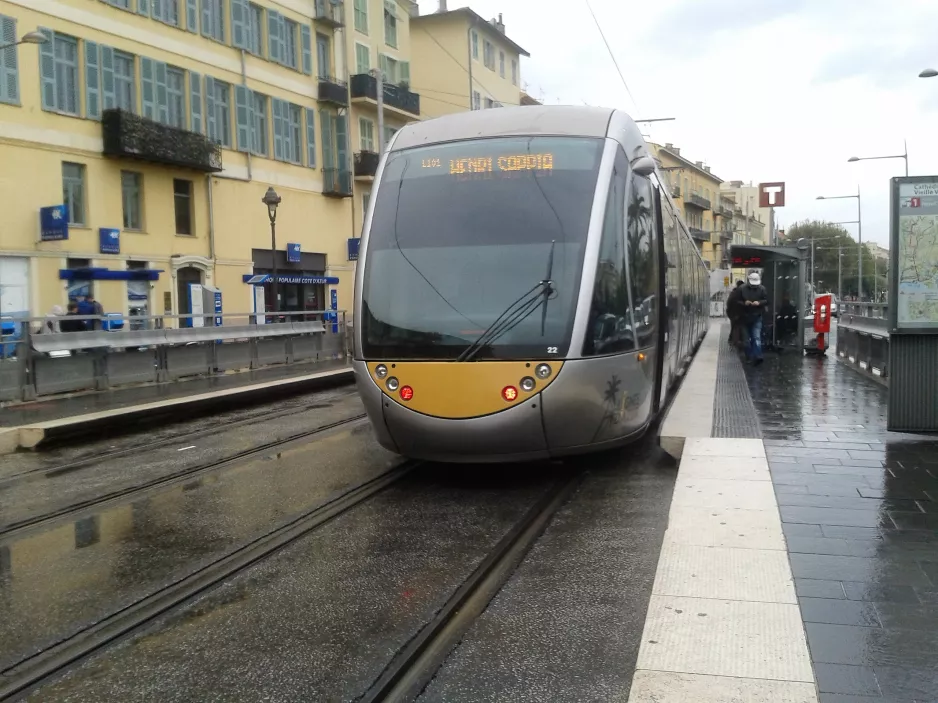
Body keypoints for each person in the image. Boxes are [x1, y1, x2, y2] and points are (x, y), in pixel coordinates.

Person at [739, 271, 768, 365]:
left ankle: (758, 356)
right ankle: (749, 356)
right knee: (747, 339)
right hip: (744, 317)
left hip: (756, 316)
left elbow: (766, 300)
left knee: (756, 337)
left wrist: (759, 303)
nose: (754, 287)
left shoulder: (762, 289)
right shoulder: (742, 289)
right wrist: (744, 303)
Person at [726, 280, 744, 347]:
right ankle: (735, 341)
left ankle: (732, 339)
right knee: (736, 327)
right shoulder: (737, 293)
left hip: (733, 313)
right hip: (735, 314)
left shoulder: (734, 292)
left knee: (734, 327)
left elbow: (728, 304)